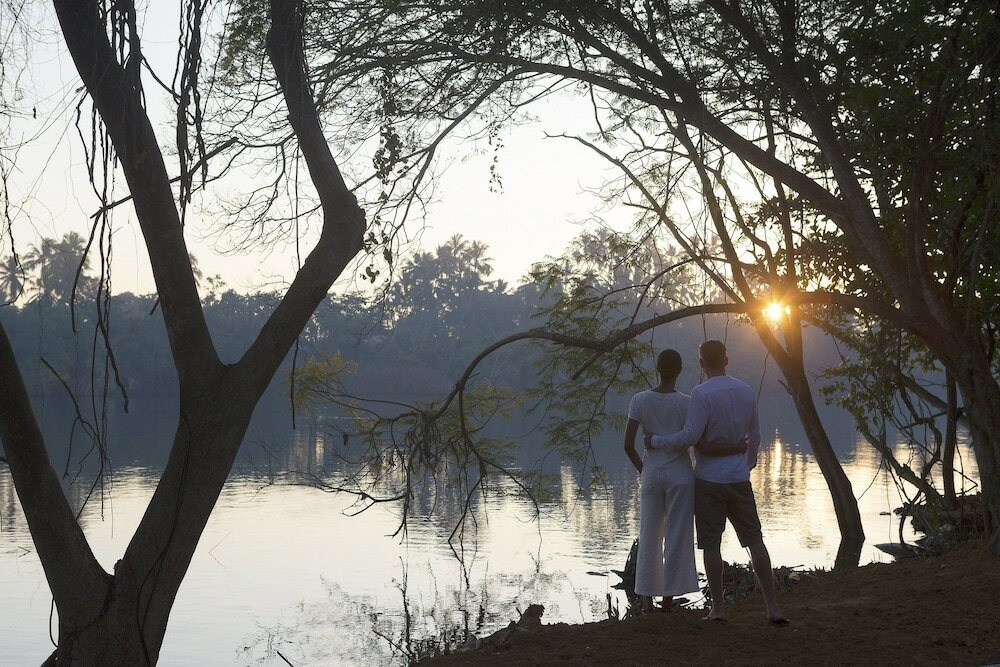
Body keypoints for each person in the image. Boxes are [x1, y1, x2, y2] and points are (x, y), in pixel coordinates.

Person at [644, 339, 788, 625]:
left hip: (709, 480)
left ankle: (719, 609)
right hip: (738, 479)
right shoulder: (746, 391)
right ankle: (772, 608)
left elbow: (690, 437)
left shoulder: (701, 394)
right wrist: (745, 462)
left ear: (700, 364)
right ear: (726, 359)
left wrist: (656, 441)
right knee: (755, 540)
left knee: (711, 544)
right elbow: (756, 436)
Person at [623, 349, 699, 613]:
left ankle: (646, 600)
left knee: (649, 534)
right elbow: (693, 439)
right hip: (680, 475)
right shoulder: (688, 403)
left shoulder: (639, 400)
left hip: (652, 475)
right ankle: (668, 600)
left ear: (657, 368)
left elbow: (628, 446)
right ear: (679, 371)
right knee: (677, 535)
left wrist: (644, 470)